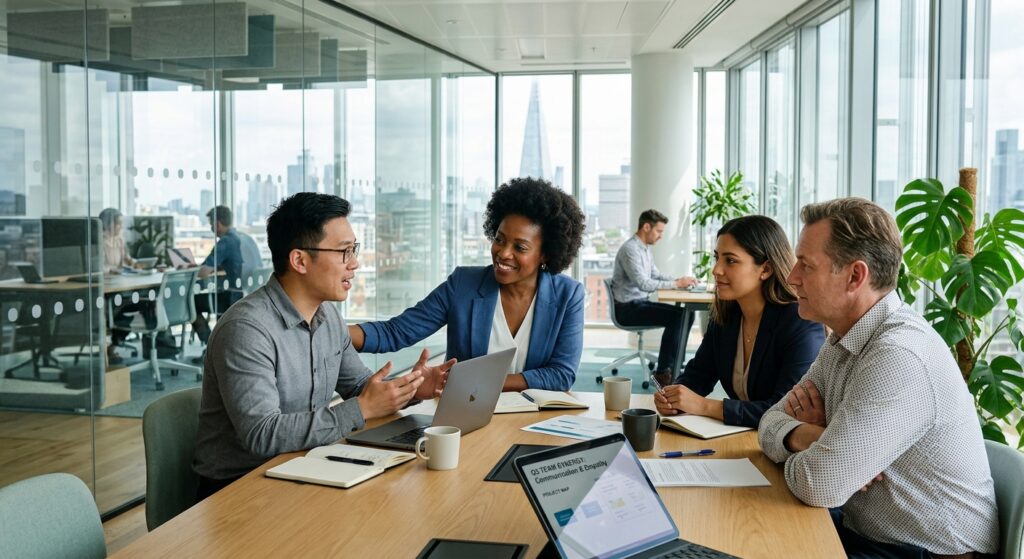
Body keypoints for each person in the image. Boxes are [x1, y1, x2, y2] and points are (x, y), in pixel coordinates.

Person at [758, 198, 997, 558]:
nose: (791, 277)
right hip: (871, 537)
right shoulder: (845, 336)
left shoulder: (899, 354)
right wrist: (809, 437)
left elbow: (821, 484)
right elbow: (768, 422)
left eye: (805, 265)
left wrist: (825, 457)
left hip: (926, 553)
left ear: (855, 276)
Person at [193, 192, 453, 499]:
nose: (354, 264)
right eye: (344, 252)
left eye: (353, 250)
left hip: (302, 464)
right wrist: (363, 407)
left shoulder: (327, 315)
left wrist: (411, 389)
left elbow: (358, 388)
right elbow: (261, 434)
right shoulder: (247, 330)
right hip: (238, 488)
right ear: (300, 260)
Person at [348, 177, 586, 392]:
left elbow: (561, 374)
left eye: (520, 247)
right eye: (499, 240)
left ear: (545, 254)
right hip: (468, 414)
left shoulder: (568, 295)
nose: (503, 253)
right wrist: (332, 333)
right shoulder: (464, 285)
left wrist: (479, 380)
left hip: (537, 420)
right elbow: (395, 333)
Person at [654, 216, 824, 428]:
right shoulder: (726, 316)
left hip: (782, 446)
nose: (716, 269)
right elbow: (698, 376)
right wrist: (674, 397)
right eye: (717, 258)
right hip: (743, 436)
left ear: (766, 269)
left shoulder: (800, 322)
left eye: (730, 260)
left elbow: (786, 410)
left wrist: (705, 406)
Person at [611, 209, 698, 386]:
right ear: (646, 227)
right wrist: (677, 284)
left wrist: (680, 280)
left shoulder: (644, 249)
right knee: (679, 316)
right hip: (627, 309)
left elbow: (655, 274)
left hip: (638, 303)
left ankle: (672, 367)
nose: (660, 236)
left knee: (687, 314)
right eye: (658, 231)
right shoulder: (630, 250)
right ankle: (663, 372)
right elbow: (644, 283)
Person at [192, 206, 261, 345]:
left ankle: (210, 345)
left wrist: (189, 269)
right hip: (249, 295)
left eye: (211, 224)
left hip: (232, 298)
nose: (211, 227)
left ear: (217, 223)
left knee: (191, 302)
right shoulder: (244, 238)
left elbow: (203, 272)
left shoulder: (225, 242)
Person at [99, 207, 136, 274]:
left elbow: (126, 259)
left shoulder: (120, 240)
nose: (121, 226)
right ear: (108, 224)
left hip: (118, 278)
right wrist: (112, 270)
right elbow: (98, 268)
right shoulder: (99, 242)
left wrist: (132, 262)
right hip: (105, 280)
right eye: (118, 223)